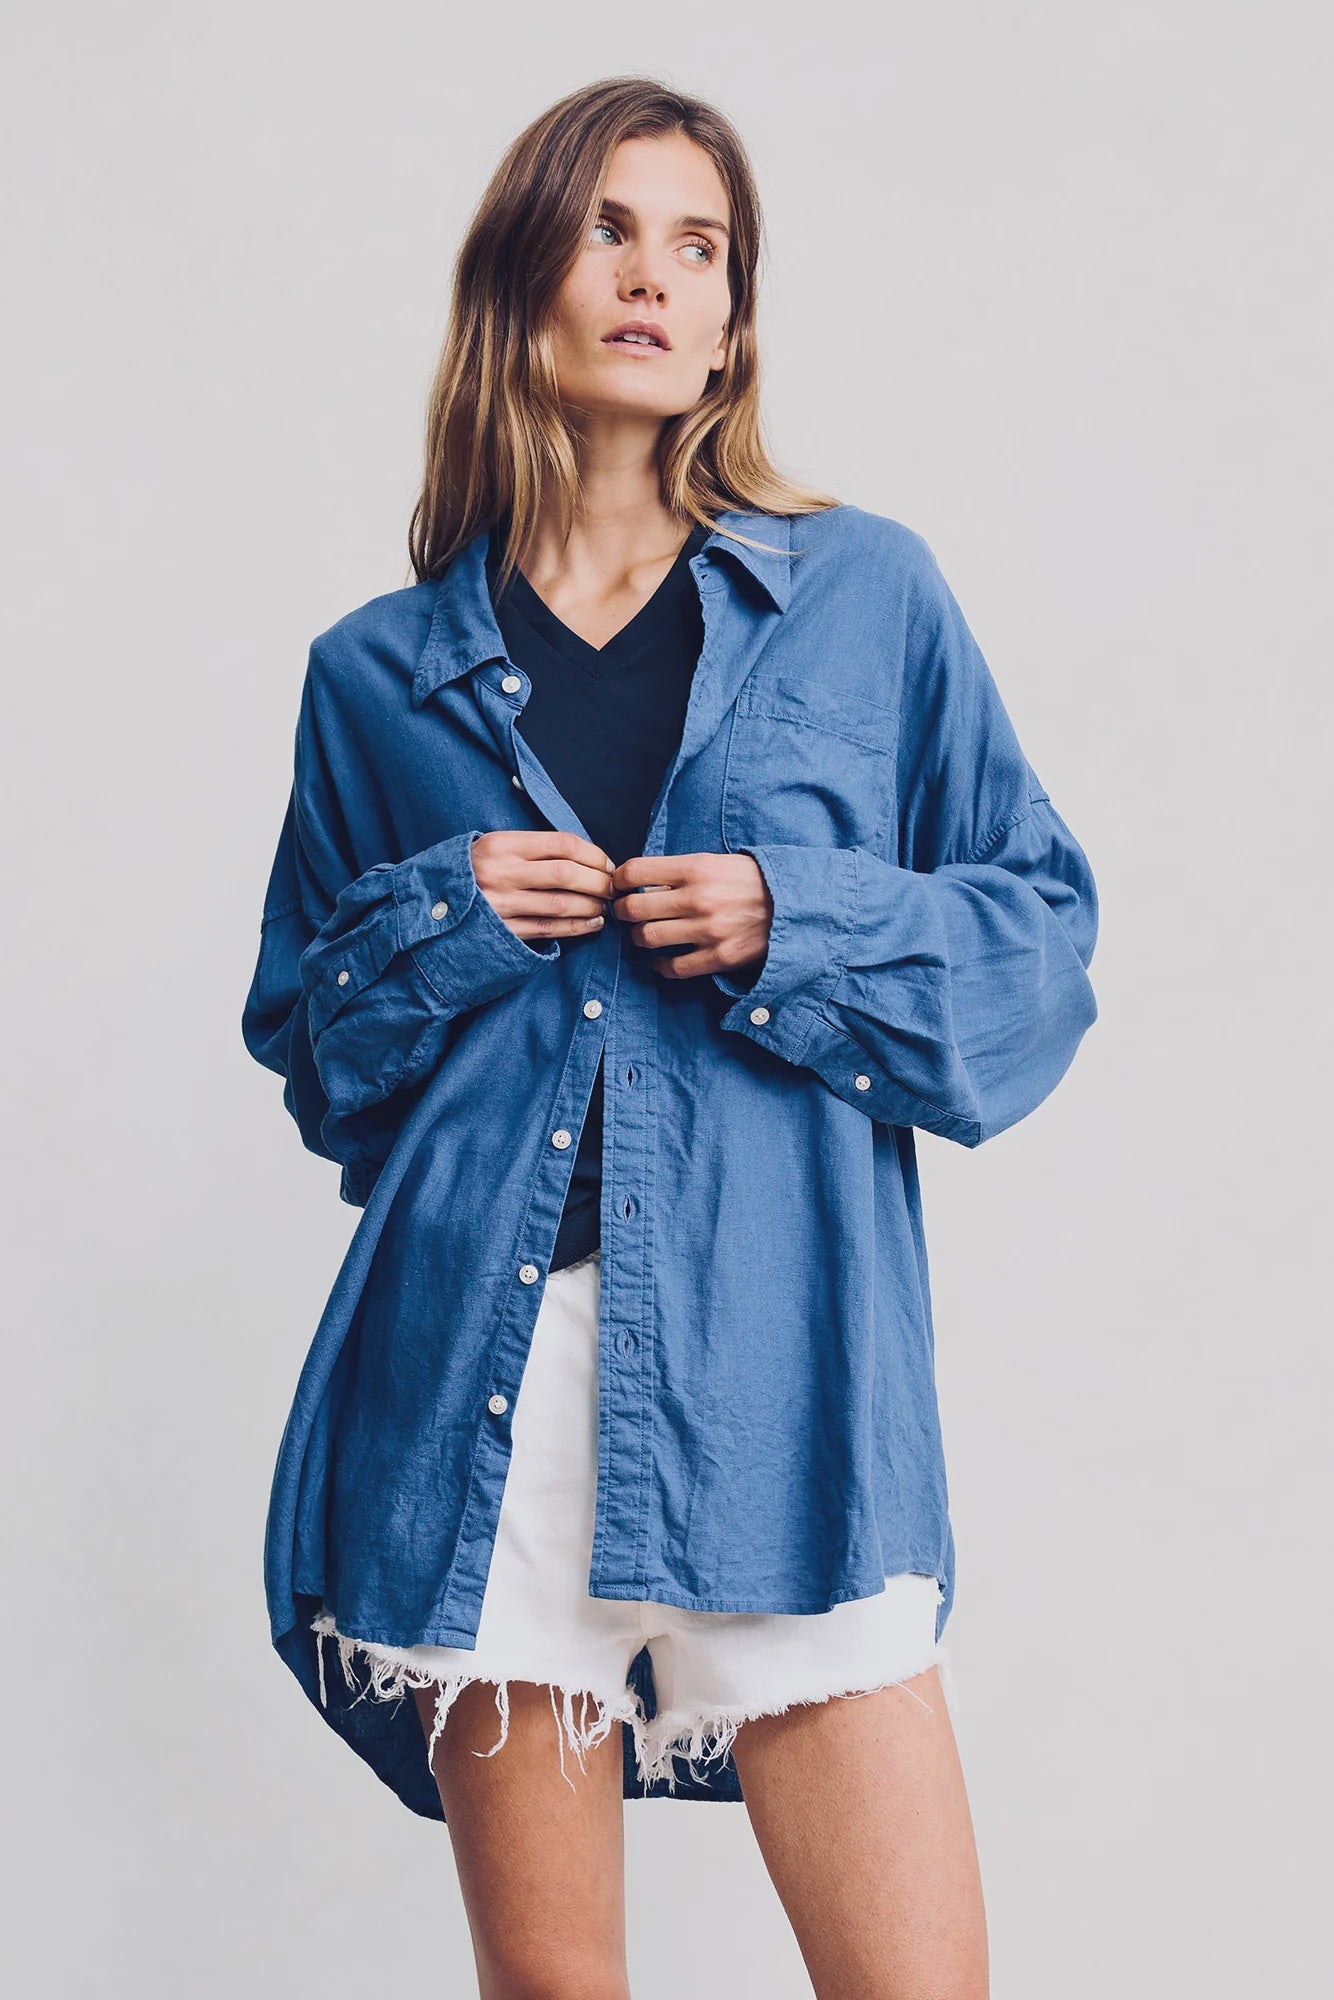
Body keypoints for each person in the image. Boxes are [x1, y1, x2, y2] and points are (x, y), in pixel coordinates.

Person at [240, 75, 1098, 2000]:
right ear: (519, 278)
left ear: (730, 318)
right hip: (484, 1404)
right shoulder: (373, 675)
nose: (652, 275)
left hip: (784, 1389)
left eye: (696, 245)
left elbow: (1040, 946)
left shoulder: (864, 596)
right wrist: (451, 914)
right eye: (609, 229)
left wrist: (804, 918)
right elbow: (316, 1063)